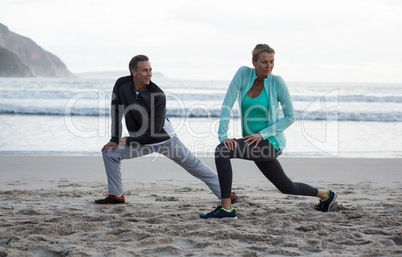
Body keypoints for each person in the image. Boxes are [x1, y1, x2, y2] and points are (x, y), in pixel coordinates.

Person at [200, 44, 336, 219]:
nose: (269, 66)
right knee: (287, 186)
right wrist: (223, 136)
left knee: (222, 152)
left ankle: (226, 209)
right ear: (254, 62)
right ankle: (326, 196)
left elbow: (290, 116)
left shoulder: (277, 82)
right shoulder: (243, 74)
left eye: (272, 61)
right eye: (264, 62)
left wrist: (262, 134)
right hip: (253, 142)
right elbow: (227, 104)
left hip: (272, 142)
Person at [95, 55, 238, 205]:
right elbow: (116, 111)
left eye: (150, 70)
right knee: (109, 153)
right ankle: (116, 195)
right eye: (145, 70)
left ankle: (227, 195)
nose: (149, 73)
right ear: (133, 72)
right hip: (141, 140)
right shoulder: (121, 84)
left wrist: (130, 140)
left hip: (164, 139)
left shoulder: (158, 94)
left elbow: (155, 131)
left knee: (195, 166)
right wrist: (114, 138)